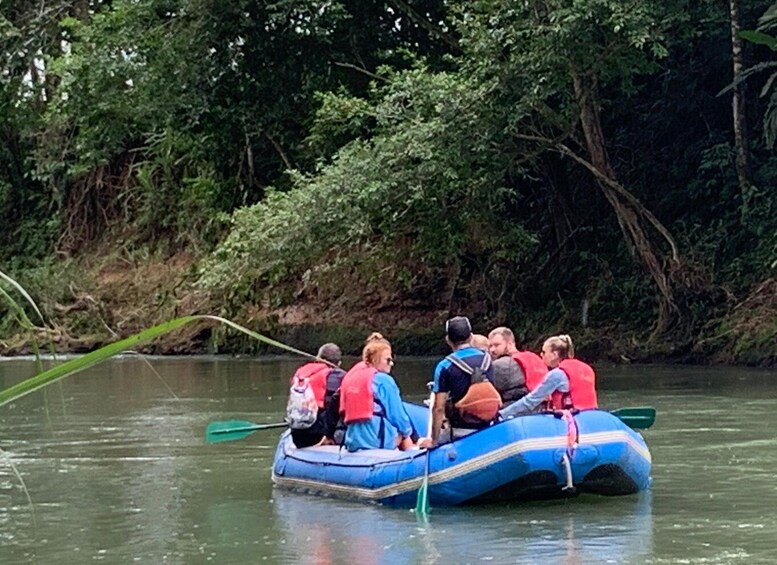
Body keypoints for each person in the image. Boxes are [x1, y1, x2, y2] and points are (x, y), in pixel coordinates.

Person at [423, 316, 501, 447]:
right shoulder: (487, 359)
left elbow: (438, 408)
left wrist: (434, 440)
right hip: (488, 426)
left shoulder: (444, 365)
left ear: (448, 340)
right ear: (471, 337)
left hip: (460, 429)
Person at [339, 337, 416, 451]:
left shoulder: (351, 377)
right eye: (388, 360)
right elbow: (397, 415)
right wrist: (407, 433)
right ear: (375, 360)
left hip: (353, 440)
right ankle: (413, 454)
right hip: (376, 441)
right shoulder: (384, 381)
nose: (391, 363)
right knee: (404, 433)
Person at [499, 334, 598, 419]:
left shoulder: (557, 375)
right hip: (590, 416)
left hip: (572, 420)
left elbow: (531, 401)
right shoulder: (586, 368)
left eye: (544, 352)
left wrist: (501, 414)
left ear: (554, 354)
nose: (541, 355)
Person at [287, 343, 346, 448]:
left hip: (297, 434)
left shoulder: (301, 372)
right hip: (318, 436)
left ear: (318, 358)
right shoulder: (337, 376)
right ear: (339, 363)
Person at [488, 326, 547, 392]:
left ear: (510, 344)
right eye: (490, 346)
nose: (492, 349)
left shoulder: (510, 363)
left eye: (497, 345)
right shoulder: (532, 357)